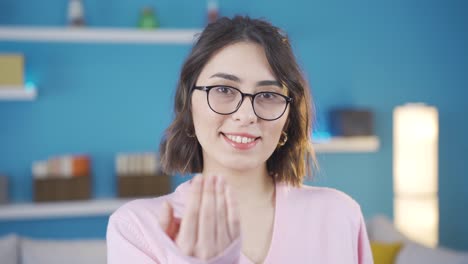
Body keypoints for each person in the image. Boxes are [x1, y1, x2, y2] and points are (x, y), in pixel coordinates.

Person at [107, 16, 373, 264]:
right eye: (223, 90)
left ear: (288, 119)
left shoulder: (341, 215)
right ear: (189, 104)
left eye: (268, 95)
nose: (246, 116)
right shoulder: (136, 228)